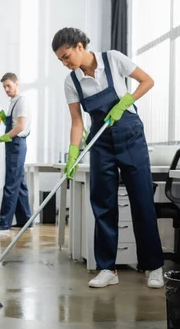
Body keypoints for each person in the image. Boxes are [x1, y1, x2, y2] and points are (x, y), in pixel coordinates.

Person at [52, 27, 164, 289]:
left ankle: (154, 266)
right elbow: (77, 122)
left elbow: (147, 80)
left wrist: (126, 101)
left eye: (66, 56)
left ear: (80, 46)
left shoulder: (113, 59)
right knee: (102, 203)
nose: (65, 63)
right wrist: (73, 153)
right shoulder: (72, 82)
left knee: (142, 200)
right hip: (101, 143)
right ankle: (107, 268)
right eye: (60, 60)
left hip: (130, 136)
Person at [0, 72, 32, 232]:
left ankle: (4, 222)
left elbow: (20, 126)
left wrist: (2, 138)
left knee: (11, 184)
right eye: (4, 86)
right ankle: (25, 220)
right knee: (19, 183)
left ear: (16, 83)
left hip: (16, 144)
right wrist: (3, 116)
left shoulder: (21, 101)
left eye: (9, 85)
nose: (6, 89)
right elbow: (13, 122)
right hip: (14, 145)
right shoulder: (14, 101)